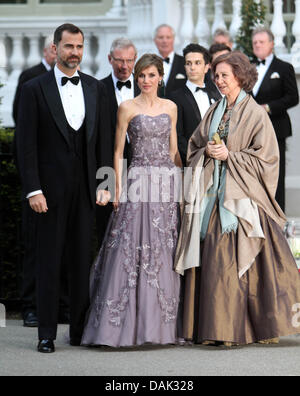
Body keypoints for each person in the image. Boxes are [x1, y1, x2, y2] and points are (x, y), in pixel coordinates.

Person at [175, 51, 300, 346]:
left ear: (240, 77)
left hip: (241, 200)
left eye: (224, 76)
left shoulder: (256, 113)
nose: (218, 81)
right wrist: (206, 152)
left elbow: (268, 159)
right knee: (212, 258)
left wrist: (232, 156)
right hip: (211, 196)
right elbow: (193, 146)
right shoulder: (214, 110)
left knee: (230, 260)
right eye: (216, 76)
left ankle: (233, 329)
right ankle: (212, 327)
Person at [16, 23, 112, 353]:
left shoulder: (96, 88)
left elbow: (103, 140)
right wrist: (33, 190)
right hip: (49, 193)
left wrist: (105, 184)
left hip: (86, 191)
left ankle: (80, 330)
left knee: (81, 261)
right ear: (55, 48)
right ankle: (45, 332)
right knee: (49, 261)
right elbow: (25, 144)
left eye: (79, 47)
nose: (74, 52)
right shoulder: (34, 89)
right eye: (68, 46)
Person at [82, 54, 182, 348]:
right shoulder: (126, 107)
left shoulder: (171, 107)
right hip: (137, 181)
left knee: (163, 250)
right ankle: (120, 326)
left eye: (151, 75)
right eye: (141, 76)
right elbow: (116, 152)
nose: (146, 81)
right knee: (129, 249)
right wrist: (115, 187)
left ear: (161, 77)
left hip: (165, 184)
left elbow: (174, 148)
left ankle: (161, 326)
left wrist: (182, 184)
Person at [12, 36, 69, 329]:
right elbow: (23, 132)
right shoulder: (30, 79)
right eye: (57, 47)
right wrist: (33, 185)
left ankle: (61, 305)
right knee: (36, 248)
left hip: (66, 185)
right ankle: (31, 305)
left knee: (64, 249)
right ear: (52, 50)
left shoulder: (82, 84)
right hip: (39, 183)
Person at [98, 38, 140, 246]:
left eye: (129, 60)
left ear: (136, 60)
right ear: (109, 59)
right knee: (110, 231)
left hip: (142, 168)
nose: (124, 66)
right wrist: (104, 182)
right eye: (119, 60)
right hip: (108, 169)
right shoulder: (97, 90)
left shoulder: (146, 87)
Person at [252, 26, 299, 212]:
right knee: (254, 174)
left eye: (261, 42)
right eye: (255, 42)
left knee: (276, 175)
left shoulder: (283, 68)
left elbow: (293, 97)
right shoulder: (248, 67)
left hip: (276, 128)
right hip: (252, 131)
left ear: (271, 44)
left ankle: (278, 218)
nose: (257, 45)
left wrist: (269, 107)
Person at [169, 44, 221, 166]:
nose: (192, 67)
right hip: (190, 163)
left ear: (206, 67)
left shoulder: (216, 94)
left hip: (217, 163)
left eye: (197, 63)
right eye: (188, 63)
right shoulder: (175, 97)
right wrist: (197, 156)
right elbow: (177, 136)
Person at [12, 35, 57, 125]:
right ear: (45, 52)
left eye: (58, 53)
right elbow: (18, 109)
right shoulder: (29, 75)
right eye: (53, 53)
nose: (56, 57)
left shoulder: (62, 76)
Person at [154, 24, 186, 97]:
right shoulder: (148, 64)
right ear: (155, 40)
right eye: (161, 37)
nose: (164, 41)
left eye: (168, 37)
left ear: (173, 39)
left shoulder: (185, 63)